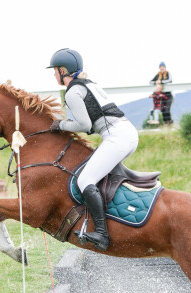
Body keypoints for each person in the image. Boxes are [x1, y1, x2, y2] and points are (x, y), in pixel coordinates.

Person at [47, 48, 138, 251]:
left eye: (54, 70)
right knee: (96, 175)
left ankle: (102, 234)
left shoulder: (73, 92)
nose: (53, 74)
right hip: (127, 134)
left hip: (117, 137)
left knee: (85, 180)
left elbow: (84, 125)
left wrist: (60, 125)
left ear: (63, 71)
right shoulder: (89, 84)